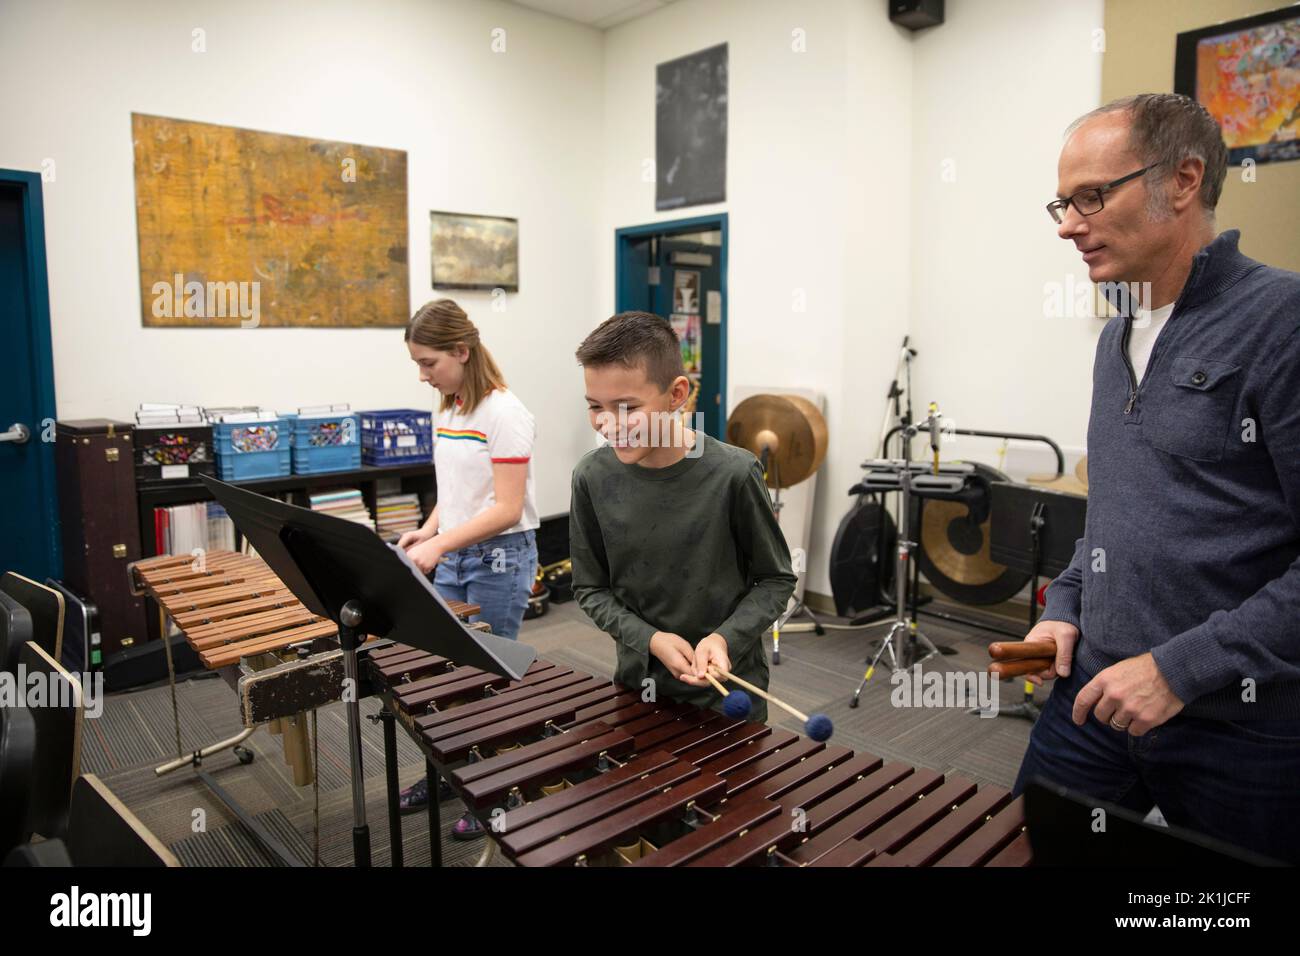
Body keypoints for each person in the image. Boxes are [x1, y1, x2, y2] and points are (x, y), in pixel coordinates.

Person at [1016, 93, 1300, 863]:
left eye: (1091, 196)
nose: (1069, 224)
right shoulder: (1117, 336)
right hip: (1096, 696)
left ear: (1182, 181)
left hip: (1241, 724)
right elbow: (1112, 512)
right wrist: (1067, 605)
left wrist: (1180, 669)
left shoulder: (1283, 321)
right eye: (1061, 203)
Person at [569, 311, 796, 724]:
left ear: (676, 395)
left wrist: (726, 638)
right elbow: (590, 588)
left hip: (728, 692)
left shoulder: (734, 473)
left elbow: (776, 580)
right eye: (595, 407)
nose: (607, 424)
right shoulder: (591, 477)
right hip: (640, 684)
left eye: (627, 408)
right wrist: (650, 640)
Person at [396, 299, 539, 839]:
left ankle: (501, 791)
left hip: (498, 556)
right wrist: (430, 528)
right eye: (417, 363)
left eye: (429, 362)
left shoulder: (505, 414)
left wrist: (443, 544)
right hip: (456, 549)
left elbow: (504, 507)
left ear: (461, 350)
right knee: (443, 673)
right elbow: (457, 489)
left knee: (489, 677)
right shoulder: (451, 407)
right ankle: (445, 775)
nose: (422, 374)